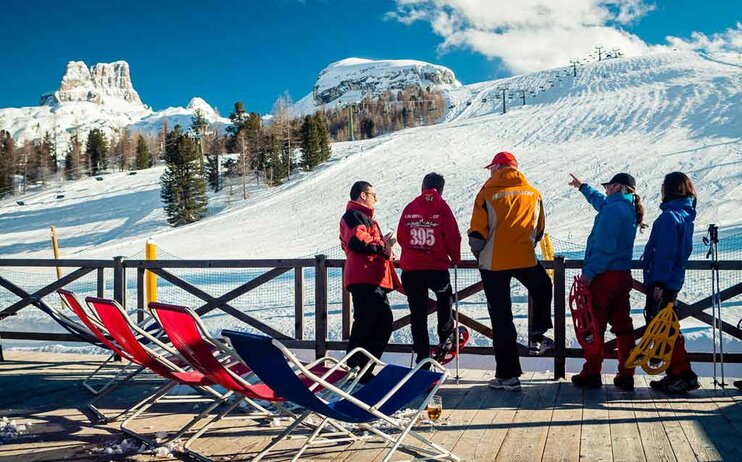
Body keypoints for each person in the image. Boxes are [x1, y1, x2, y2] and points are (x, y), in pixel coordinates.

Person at [469, 151, 554, 392]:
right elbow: (539, 230)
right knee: (543, 286)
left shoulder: (487, 194)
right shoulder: (533, 194)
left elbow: (477, 234)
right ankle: (537, 333)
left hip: (493, 264)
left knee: (502, 319)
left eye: (491, 168)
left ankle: (508, 376)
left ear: (498, 167)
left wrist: (480, 255)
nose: (490, 172)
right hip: (525, 258)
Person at [568, 172, 645, 391]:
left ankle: (592, 372)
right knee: (623, 326)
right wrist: (584, 187)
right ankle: (626, 374)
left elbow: (604, 248)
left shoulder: (612, 211)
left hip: (604, 276)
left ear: (618, 187)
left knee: (595, 325)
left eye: (609, 186)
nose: (606, 189)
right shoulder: (626, 208)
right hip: (622, 276)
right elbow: (602, 202)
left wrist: (589, 274)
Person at [643, 172, 700, 393]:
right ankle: (675, 372)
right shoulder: (685, 215)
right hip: (673, 280)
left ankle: (682, 373)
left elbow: (664, 253)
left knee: (665, 329)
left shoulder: (670, 217)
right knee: (669, 326)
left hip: (663, 282)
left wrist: (657, 283)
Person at [397, 172, 462, 366]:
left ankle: (422, 355)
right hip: (436, 268)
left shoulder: (410, 207)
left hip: (411, 269)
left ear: (422, 186)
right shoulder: (442, 207)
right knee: (445, 296)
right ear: (441, 189)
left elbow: (401, 236)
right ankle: (445, 334)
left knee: (417, 313)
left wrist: (412, 250)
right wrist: (455, 258)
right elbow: (453, 236)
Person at [339, 181, 399, 382]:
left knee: (380, 322)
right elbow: (358, 241)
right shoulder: (354, 215)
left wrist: (384, 246)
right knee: (369, 321)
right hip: (364, 277)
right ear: (363, 195)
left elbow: (360, 241)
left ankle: (362, 367)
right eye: (373, 194)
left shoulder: (363, 217)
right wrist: (383, 245)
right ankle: (355, 366)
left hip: (371, 277)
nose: (375, 199)